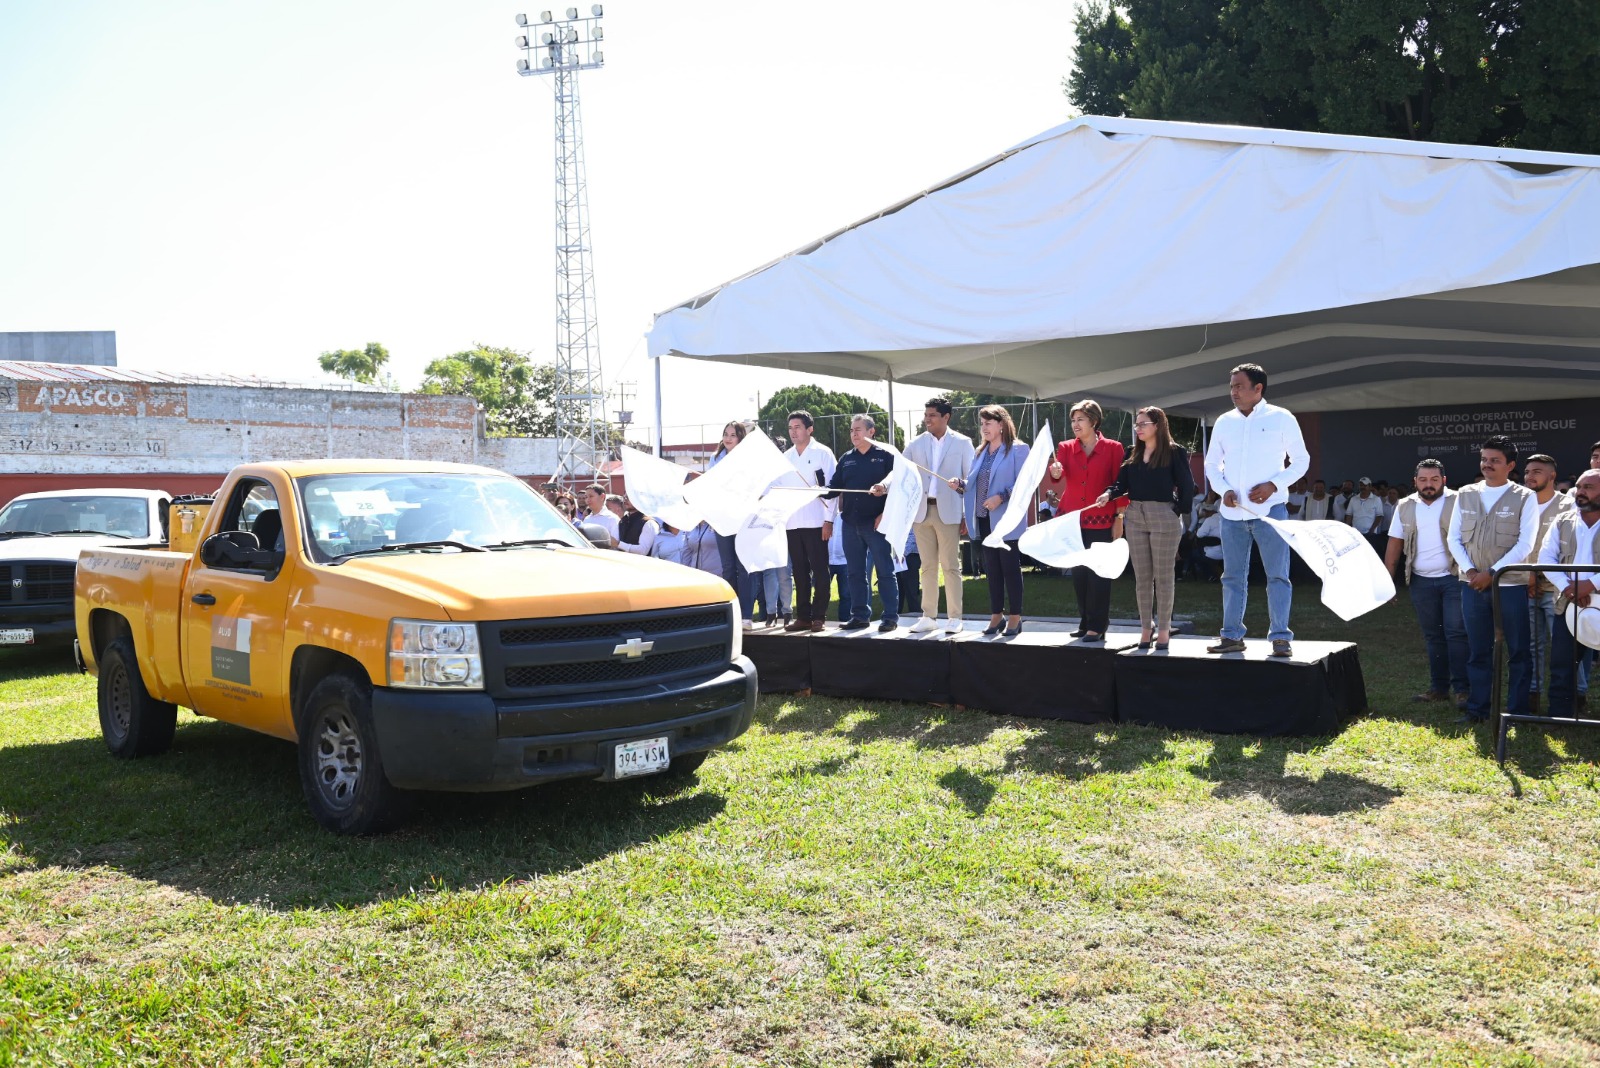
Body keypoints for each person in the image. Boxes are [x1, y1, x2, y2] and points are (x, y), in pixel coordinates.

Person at [1202, 363, 1310, 657]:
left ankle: (1280, 638)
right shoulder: (1224, 421)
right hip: (1232, 515)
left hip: (1270, 513)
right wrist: (1223, 489)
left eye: (1239, 386)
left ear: (1258, 389)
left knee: (1277, 576)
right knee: (1232, 577)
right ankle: (1232, 635)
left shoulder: (1282, 418)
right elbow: (1212, 465)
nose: (1233, 391)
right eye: (1231, 386)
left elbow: (1301, 461)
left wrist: (1274, 485)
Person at [1447, 435, 1539, 723]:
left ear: (1510, 465)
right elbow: (1452, 538)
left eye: (1495, 461)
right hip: (1472, 586)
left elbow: (1526, 543)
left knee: (1519, 651)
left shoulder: (1525, 497)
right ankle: (1478, 709)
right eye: (1484, 459)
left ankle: (1517, 711)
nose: (1487, 465)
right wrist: (1473, 572)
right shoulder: (1466, 493)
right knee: (1478, 650)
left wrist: (1492, 573)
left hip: (1510, 586)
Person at [1096, 406, 1195, 650]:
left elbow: (1187, 485)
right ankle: (1145, 629)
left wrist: (1176, 510)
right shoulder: (1132, 452)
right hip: (1135, 516)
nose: (1138, 428)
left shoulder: (1174, 452)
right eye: (1136, 424)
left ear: (1158, 425)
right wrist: (1108, 494)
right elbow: (1120, 484)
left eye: (1143, 424)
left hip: (1164, 515)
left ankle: (1163, 629)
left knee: (1163, 578)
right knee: (1142, 579)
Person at [1384, 459, 1468, 708]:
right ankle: (1439, 688)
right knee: (1433, 636)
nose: (1428, 485)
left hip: (1454, 578)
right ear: (1415, 482)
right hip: (1421, 580)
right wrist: (1388, 580)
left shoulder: (1460, 501)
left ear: (1444, 480)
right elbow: (1395, 544)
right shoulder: (1405, 505)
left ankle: (1463, 689)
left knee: (1456, 634)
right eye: (1423, 480)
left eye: (1434, 480)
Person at [1047, 399, 1124, 641]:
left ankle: (1097, 625)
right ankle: (1085, 621)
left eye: (1080, 419)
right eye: (1073, 420)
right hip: (1072, 520)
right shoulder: (1065, 447)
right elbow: (1059, 479)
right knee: (1079, 574)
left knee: (1099, 573)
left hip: (1102, 519)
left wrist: (1119, 517)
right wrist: (1055, 473)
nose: (1075, 424)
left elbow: (1120, 485)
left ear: (1094, 421)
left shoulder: (1114, 448)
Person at [903, 394, 975, 634]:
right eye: (925, 415)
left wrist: (963, 497)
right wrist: (883, 486)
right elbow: (900, 471)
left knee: (951, 566)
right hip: (922, 513)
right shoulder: (915, 444)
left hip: (950, 511)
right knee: (927, 566)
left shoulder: (963, 443)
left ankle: (955, 617)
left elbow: (971, 480)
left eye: (932, 415)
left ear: (946, 417)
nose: (927, 420)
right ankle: (929, 616)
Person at [959, 404, 1031, 637]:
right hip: (983, 520)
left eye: (988, 423)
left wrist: (1001, 497)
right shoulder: (981, 452)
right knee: (992, 571)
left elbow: (1024, 484)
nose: (984, 428)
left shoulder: (1018, 450)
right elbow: (973, 484)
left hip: (1006, 521)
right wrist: (959, 485)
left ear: (1001, 425)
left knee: (1010, 569)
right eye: (982, 424)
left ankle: (1015, 618)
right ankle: (996, 616)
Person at [824, 414, 899, 632]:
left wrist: (884, 512)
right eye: (851, 430)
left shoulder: (886, 456)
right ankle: (859, 616)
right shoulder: (846, 458)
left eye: (858, 429)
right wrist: (817, 490)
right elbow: (833, 488)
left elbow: (897, 483)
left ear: (871, 431)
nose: (853, 434)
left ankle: (890, 617)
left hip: (876, 524)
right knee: (855, 573)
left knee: (885, 571)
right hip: (850, 523)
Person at [1535, 468, 1600, 717]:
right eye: (1580, 487)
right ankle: (1560, 714)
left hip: (1594, 598)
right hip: (1568, 603)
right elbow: (1545, 558)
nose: (1580, 492)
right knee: (1562, 663)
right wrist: (1568, 588)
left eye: (1589, 488)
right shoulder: (1563, 521)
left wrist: (1590, 585)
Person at [1522, 454, 1575, 715]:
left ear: (1552, 476)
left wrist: (1541, 574)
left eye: (1537, 471)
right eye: (1528, 471)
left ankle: (1575, 696)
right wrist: (1528, 575)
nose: (1530, 476)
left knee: (1565, 644)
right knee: (1533, 644)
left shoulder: (1569, 506)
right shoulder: (1520, 502)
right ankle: (1533, 695)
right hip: (1526, 584)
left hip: (1558, 587)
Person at [782, 410, 837, 632]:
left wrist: (829, 521)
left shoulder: (823, 453)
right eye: (790, 428)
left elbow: (833, 489)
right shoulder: (786, 458)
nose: (793, 432)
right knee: (799, 572)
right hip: (793, 523)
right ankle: (803, 616)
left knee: (820, 571)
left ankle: (819, 616)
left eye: (797, 427)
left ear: (809, 429)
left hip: (816, 522)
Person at [707, 421, 756, 628]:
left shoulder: (748, 459)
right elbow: (711, 487)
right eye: (725, 434)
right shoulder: (715, 458)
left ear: (740, 438)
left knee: (743, 567)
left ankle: (746, 614)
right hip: (722, 518)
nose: (728, 438)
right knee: (727, 567)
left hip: (743, 518)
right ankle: (731, 614)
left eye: (733, 435)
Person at [1347, 477, 1386, 551]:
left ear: (1370, 487)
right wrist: (1349, 529)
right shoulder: (1353, 499)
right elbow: (1349, 515)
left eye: (1365, 485)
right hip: (1356, 534)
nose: (1362, 487)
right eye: (1361, 485)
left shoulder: (1376, 499)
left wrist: (1372, 529)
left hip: (1371, 534)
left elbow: (1379, 516)